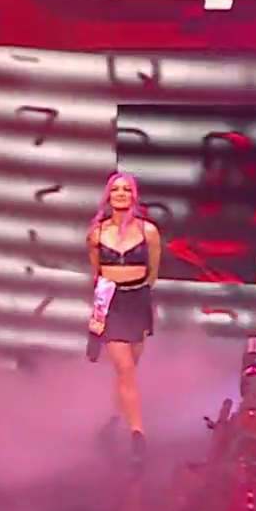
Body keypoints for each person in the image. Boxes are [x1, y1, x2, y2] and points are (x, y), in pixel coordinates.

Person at [87, 171, 161, 453]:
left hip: (137, 302)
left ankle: (113, 420)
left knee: (127, 371)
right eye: (115, 189)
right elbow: (96, 273)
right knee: (126, 370)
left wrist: (140, 293)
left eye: (126, 189)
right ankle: (138, 436)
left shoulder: (148, 232)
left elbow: (152, 272)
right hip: (112, 305)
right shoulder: (97, 234)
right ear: (108, 196)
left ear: (134, 195)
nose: (120, 194)